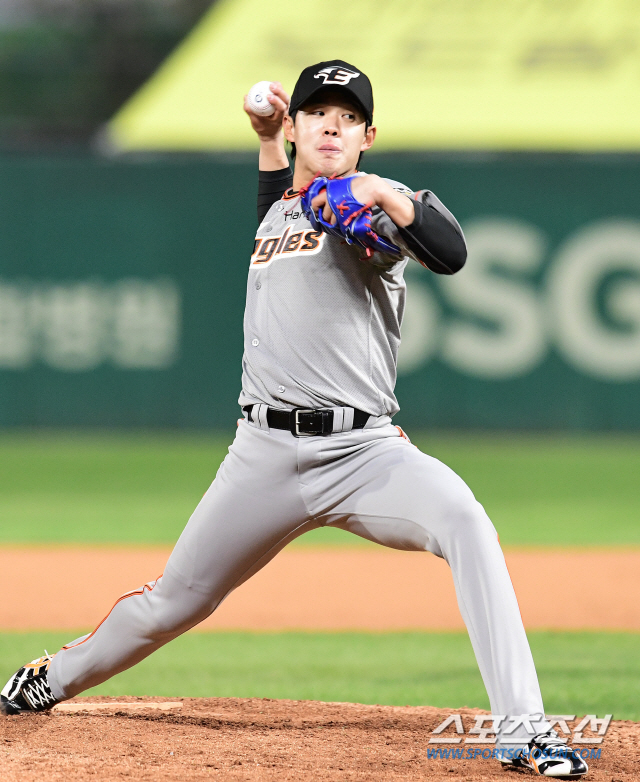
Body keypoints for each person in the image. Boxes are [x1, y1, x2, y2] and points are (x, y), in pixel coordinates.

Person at [1, 60, 586, 778]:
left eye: (347, 117)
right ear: (297, 125)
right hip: (263, 455)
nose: (331, 126)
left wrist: (385, 194)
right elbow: (281, 205)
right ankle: (52, 677)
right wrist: (265, 141)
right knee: (173, 603)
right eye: (317, 113)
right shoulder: (282, 208)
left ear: (368, 136)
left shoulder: (369, 211)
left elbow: (451, 253)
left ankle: (523, 730)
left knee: (465, 521)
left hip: (365, 454)